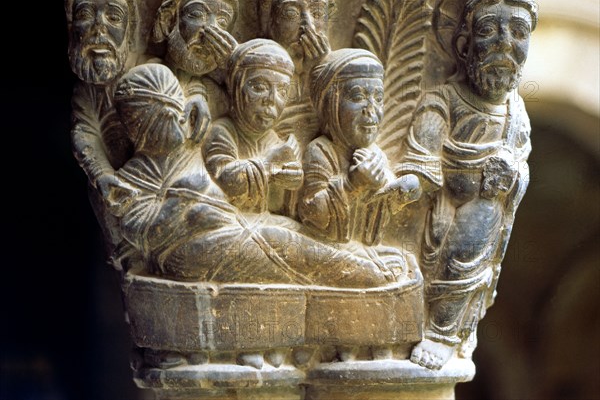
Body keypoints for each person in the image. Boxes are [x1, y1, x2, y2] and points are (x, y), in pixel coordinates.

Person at [108, 62, 406, 290]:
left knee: (292, 231)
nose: (179, 121)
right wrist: (184, 201)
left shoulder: (187, 152)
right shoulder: (133, 176)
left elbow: (216, 200)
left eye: (179, 110)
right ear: (137, 127)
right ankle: (369, 274)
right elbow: (139, 235)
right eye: (161, 117)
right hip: (190, 253)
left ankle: (365, 257)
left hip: (235, 227)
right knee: (287, 246)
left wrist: (274, 171)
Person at [405, 0, 537, 370]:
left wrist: (510, 176)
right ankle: (439, 329)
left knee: (484, 212)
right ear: (463, 46)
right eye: (488, 31)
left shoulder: (517, 111)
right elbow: (422, 159)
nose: (504, 44)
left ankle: (453, 328)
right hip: (439, 215)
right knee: (476, 214)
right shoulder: (442, 99)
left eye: (518, 33)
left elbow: (521, 166)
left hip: (484, 221)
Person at [299, 48, 420, 265]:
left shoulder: (375, 154)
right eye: (358, 97)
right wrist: (352, 184)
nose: (371, 110)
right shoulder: (321, 151)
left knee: (407, 265)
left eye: (378, 98)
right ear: (331, 104)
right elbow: (311, 213)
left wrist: (405, 189)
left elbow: (385, 196)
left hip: (361, 250)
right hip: (324, 250)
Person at [66, 0, 139, 256]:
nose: (99, 29)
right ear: (72, 28)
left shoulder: (149, 73)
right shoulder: (87, 91)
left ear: (131, 31)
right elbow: (84, 131)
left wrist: (199, 98)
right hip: (112, 190)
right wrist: (103, 175)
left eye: (114, 17)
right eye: (85, 14)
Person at [204, 39, 303, 215]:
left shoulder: (272, 138)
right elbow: (224, 180)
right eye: (259, 87)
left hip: (261, 220)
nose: (271, 99)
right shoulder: (223, 131)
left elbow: (280, 199)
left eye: (282, 91)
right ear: (236, 88)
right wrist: (269, 163)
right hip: (226, 220)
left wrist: (291, 178)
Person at [153, 0, 239, 143]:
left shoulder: (224, 95)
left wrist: (236, 66)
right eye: (197, 15)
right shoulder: (148, 76)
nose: (210, 30)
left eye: (222, 22)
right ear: (168, 21)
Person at [259, 0, 334, 147]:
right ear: (269, 23)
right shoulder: (254, 75)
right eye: (291, 14)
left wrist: (320, 72)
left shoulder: (341, 74)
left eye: (317, 14)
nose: (307, 25)